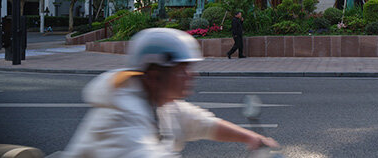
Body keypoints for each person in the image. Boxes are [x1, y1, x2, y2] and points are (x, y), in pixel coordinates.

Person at [62, 27, 279, 157]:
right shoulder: (119, 120)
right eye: (182, 69)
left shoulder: (160, 104)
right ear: (155, 76)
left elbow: (202, 123)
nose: (191, 75)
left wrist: (251, 137)